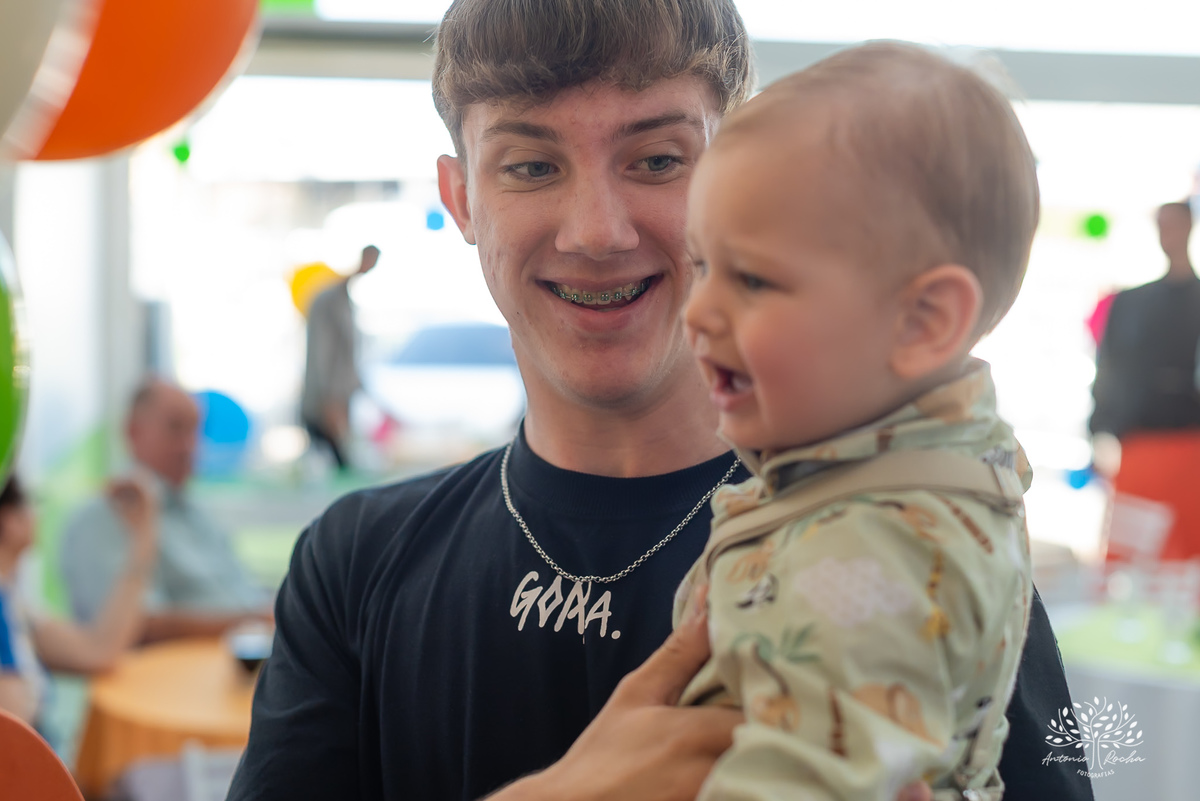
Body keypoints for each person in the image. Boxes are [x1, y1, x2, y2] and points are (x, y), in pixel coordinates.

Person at [228, 3, 1091, 800]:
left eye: (657, 160)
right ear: (462, 199)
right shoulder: (353, 567)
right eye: (531, 166)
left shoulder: (916, 537)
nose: (596, 230)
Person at [672, 43, 1036, 799]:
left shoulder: (872, 552)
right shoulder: (915, 467)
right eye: (703, 265)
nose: (698, 310)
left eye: (752, 277)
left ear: (922, 321)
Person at [60, 377, 270, 640]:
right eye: (175, 428)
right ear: (133, 432)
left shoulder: (197, 514)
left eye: (195, 430)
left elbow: (242, 592)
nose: (190, 446)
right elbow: (137, 628)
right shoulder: (101, 517)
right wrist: (254, 621)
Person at [1090, 202, 1200, 561]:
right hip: (1139, 446)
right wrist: (1101, 429)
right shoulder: (1131, 303)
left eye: (1176, 225)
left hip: (1191, 447)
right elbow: (1110, 366)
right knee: (1131, 559)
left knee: (1189, 559)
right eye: (1163, 225)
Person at [0, 474, 154, 724]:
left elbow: (100, 651)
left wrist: (142, 539)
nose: (38, 516)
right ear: (10, 521)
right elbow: (11, 735)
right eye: (32, 504)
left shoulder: (14, 604)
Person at [301, 245, 380, 470]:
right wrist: (329, 397)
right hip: (327, 396)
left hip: (339, 394)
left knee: (341, 458)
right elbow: (322, 353)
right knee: (329, 457)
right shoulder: (328, 301)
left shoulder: (344, 300)